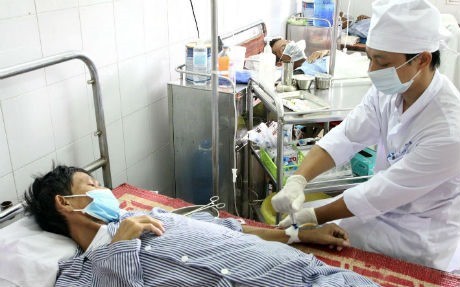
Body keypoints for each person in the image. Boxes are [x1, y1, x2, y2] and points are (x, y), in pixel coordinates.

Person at [271, 0, 460, 272]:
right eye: (370, 57)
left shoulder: (450, 129)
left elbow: (382, 192)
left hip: (416, 236)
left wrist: (311, 215)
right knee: (294, 242)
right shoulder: (388, 91)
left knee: (305, 241)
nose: (371, 70)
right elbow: (347, 136)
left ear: (422, 59)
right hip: (375, 213)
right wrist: (298, 180)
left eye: (381, 61)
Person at [23, 165, 379, 286]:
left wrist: (300, 234)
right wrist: (119, 249)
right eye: (93, 184)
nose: (106, 190)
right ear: (66, 203)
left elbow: (232, 229)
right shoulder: (76, 277)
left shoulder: (163, 216)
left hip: (317, 278)